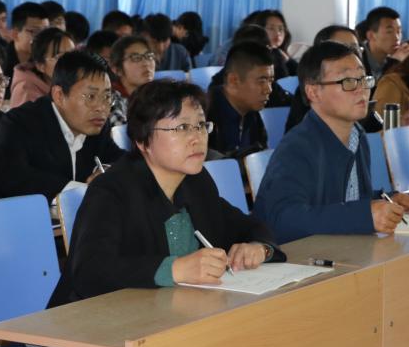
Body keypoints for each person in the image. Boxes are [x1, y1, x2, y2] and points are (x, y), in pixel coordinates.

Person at [48, 79, 284, 306]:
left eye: (201, 125)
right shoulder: (111, 191)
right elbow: (90, 271)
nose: (197, 138)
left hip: (167, 312)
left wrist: (259, 247)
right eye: (182, 127)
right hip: (93, 320)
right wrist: (175, 269)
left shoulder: (196, 181)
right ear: (143, 141)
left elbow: (248, 225)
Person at [253, 42, 409, 243]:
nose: (361, 89)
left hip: (340, 249)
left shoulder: (357, 135)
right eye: (348, 81)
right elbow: (284, 220)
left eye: (363, 78)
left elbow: (343, 199)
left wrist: (385, 199)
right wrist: (364, 215)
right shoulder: (296, 148)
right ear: (313, 92)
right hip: (298, 256)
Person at [0, 50, 124, 202]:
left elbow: (120, 160)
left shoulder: (96, 125)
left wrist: (111, 172)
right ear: (59, 95)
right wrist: (81, 191)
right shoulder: (18, 124)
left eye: (107, 96)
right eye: (91, 96)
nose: (101, 107)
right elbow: (9, 178)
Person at [285, 24, 361, 133]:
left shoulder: (357, 134)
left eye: (355, 48)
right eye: (340, 48)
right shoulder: (312, 91)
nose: (350, 53)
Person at [207, 41, 273, 156]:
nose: (269, 89)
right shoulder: (205, 113)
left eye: (270, 81)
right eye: (261, 81)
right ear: (233, 81)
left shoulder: (252, 111)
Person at [10, 28, 75, 108]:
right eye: (60, 57)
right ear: (41, 66)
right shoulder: (27, 94)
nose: (71, 62)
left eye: (73, 54)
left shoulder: (75, 84)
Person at [108, 35, 156, 128]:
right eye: (136, 58)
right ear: (117, 69)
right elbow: (123, 132)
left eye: (149, 56)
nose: (146, 63)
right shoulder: (111, 99)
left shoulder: (156, 94)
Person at [0, 2, 50, 88]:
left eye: (46, 32)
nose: (43, 38)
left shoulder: (47, 62)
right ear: (15, 34)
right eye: (35, 32)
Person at [361, 6, 409, 81]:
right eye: (389, 32)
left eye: (399, 31)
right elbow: (377, 87)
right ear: (371, 35)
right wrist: (394, 62)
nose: (397, 38)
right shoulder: (358, 58)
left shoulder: (394, 57)